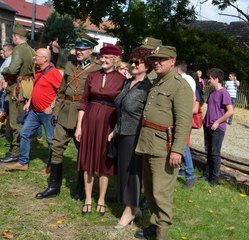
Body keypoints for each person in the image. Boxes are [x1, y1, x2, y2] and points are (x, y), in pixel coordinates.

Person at [134, 45, 193, 239]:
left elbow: (184, 122)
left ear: (173, 61)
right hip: (148, 143)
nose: (157, 62)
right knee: (150, 191)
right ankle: (154, 224)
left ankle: (162, 234)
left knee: (161, 193)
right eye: (155, 59)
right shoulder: (158, 82)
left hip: (164, 148)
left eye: (162, 59)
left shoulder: (179, 86)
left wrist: (177, 150)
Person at [35, 34, 100, 200]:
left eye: (83, 49)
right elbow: (62, 90)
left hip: (83, 115)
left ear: (91, 50)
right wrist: (56, 111)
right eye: (77, 48)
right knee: (56, 148)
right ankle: (53, 186)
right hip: (64, 112)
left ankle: (80, 188)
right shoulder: (70, 65)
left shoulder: (96, 68)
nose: (79, 51)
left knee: (83, 152)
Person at [75, 44, 126, 216]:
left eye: (107, 57)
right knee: (88, 159)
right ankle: (88, 199)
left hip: (109, 123)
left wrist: (117, 129)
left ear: (115, 60)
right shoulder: (92, 76)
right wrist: (79, 126)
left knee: (105, 162)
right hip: (89, 121)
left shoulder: (122, 79)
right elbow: (84, 102)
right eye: (102, 57)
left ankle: (102, 199)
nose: (103, 60)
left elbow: (123, 106)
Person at [4, 48, 62, 171]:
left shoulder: (54, 73)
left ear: (45, 59)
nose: (34, 57)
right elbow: (36, 88)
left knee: (51, 140)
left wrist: (51, 106)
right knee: (24, 133)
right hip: (34, 111)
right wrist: (30, 102)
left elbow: (61, 92)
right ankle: (23, 162)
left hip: (47, 114)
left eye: (37, 56)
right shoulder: (39, 71)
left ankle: (52, 165)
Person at [114, 47, 152, 229]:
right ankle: (132, 206)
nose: (133, 64)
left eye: (138, 62)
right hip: (122, 132)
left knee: (132, 174)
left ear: (148, 66)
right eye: (132, 61)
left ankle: (130, 210)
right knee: (123, 171)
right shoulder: (127, 83)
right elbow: (121, 108)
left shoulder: (148, 88)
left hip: (135, 135)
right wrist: (115, 130)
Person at [0, 26, 34, 163]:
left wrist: (5, 71)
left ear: (15, 37)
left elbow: (13, 69)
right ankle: (20, 148)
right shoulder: (31, 49)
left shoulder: (19, 49)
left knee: (15, 121)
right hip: (27, 87)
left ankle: (15, 152)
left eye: (13, 36)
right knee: (22, 119)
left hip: (17, 88)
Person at [202, 68, 233, 186]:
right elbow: (210, 108)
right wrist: (205, 119)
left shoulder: (224, 93)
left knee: (215, 153)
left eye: (210, 78)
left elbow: (230, 111)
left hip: (218, 128)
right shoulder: (212, 92)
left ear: (216, 79)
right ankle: (206, 175)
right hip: (208, 126)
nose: (208, 80)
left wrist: (217, 122)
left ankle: (214, 180)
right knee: (208, 151)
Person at [175, 60, 196, 189]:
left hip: (182, 116)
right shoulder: (190, 79)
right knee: (182, 144)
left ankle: (190, 175)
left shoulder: (182, 79)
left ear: (177, 69)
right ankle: (185, 170)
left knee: (182, 145)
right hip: (185, 115)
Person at [0, 44, 13, 127]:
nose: (2, 52)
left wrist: (3, 85)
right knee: (5, 112)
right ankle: (7, 132)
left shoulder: (9, 61)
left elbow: (6, 77)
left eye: (4, 51)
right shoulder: (7, 60)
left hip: (4, 90)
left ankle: (7, 132)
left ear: (10, 51)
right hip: (3, 89)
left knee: (4, 112)